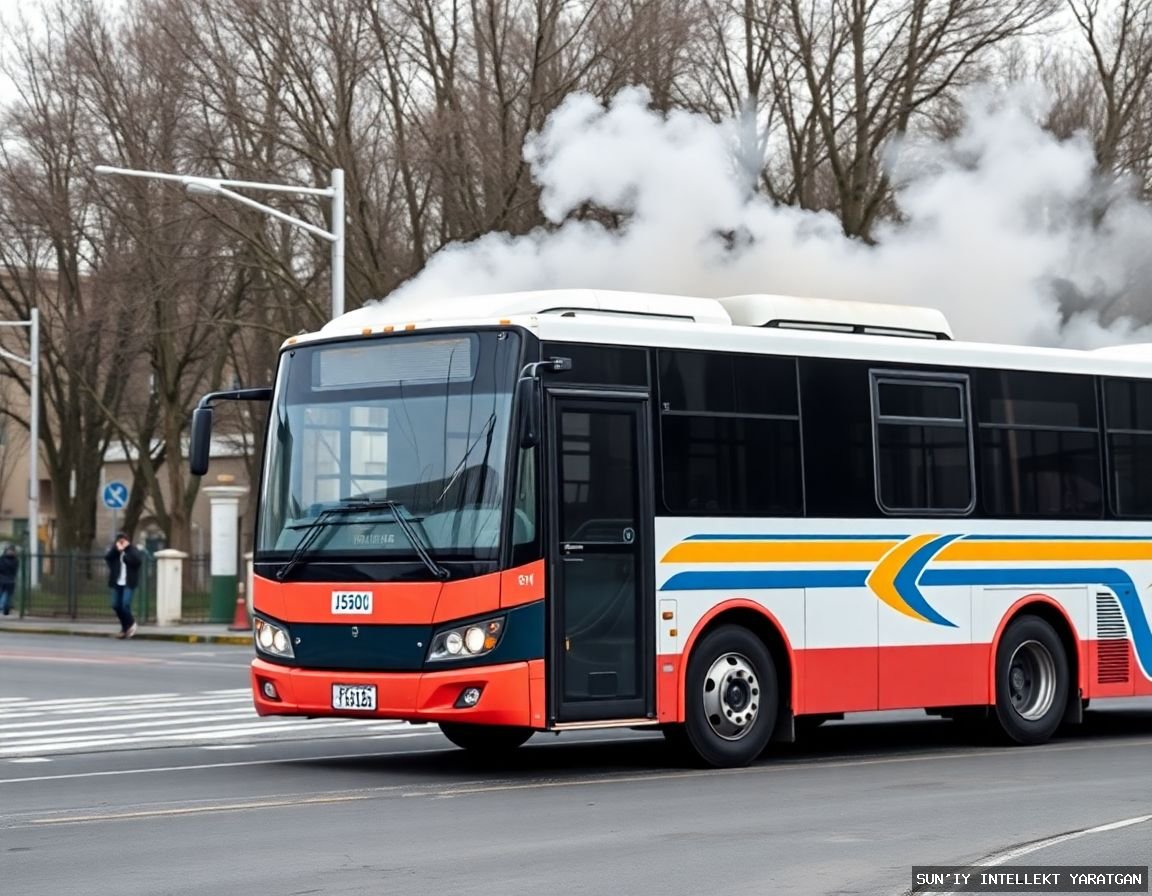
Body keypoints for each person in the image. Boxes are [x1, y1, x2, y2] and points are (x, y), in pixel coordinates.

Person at [105, 532, 141, 639]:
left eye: (123, 540)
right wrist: (116, 549)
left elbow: (137, 562)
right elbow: (108, 558)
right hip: (117, 582)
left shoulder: (133, 550)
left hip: (128, 583)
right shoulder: (115, 551)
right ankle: (125, 628)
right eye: (119, 540)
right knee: (116, 605)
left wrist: (125, 551)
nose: (121, 542)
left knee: (125, 605)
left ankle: (132, 623)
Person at [0, 544, 17, 616]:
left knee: (8, 595)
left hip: (10, 580)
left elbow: (15, 570)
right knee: (4, 594)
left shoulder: (15, 560)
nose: (10, 552)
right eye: (9, 550)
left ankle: (5, 608)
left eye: (12, 550)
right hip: (3, 579)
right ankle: (3, 607)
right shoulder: (2, 559)